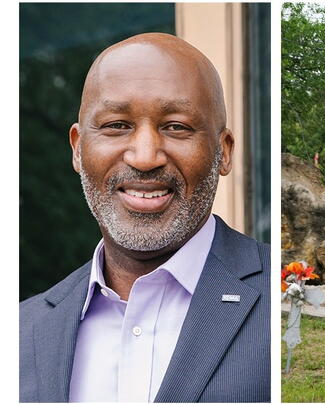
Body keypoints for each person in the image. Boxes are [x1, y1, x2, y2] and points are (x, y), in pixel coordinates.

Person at [19, 33, 270, 402]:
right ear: (77, 149)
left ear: (223, 151)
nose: (145, 156)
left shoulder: (277, 297)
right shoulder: (20, 332)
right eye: (117, 125)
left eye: (176, 127)